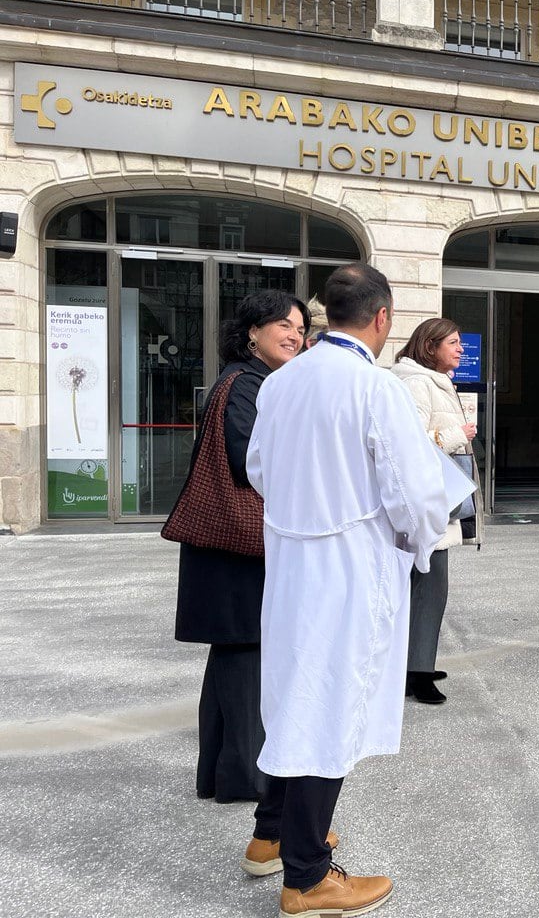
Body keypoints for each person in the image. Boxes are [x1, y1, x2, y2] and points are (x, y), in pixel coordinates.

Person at [243, 263, 454, 917]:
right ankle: (307, 877)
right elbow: (416, 495)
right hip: (348, 570)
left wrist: (306, 510)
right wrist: (420, 542)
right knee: (328, 710)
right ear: (383, 319)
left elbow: (257, 470)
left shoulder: (284, 382)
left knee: (294, 694)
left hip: (294, 563)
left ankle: (270, 835)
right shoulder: (374, 387)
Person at [173, 290, 309, 803]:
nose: (294, 335)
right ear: (252, 331)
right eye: (283, 325)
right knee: (247, 655)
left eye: (300, 328)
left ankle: (221, 775)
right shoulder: (247, 384)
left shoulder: (245, 380)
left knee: (232, 657)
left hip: (225, 545)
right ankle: (249, 779)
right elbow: (250, 460)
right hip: (237, 542)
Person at [391, 317, 483, 705]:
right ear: (430, 346)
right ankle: (416, 674)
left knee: (429, 587)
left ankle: (418, 661)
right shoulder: (415, 383)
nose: (461, 350)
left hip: (435, 502)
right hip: (426, 505)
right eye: (453, 343)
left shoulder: (434, 381)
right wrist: (458, 434)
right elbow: (409, 445)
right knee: (428, 587)